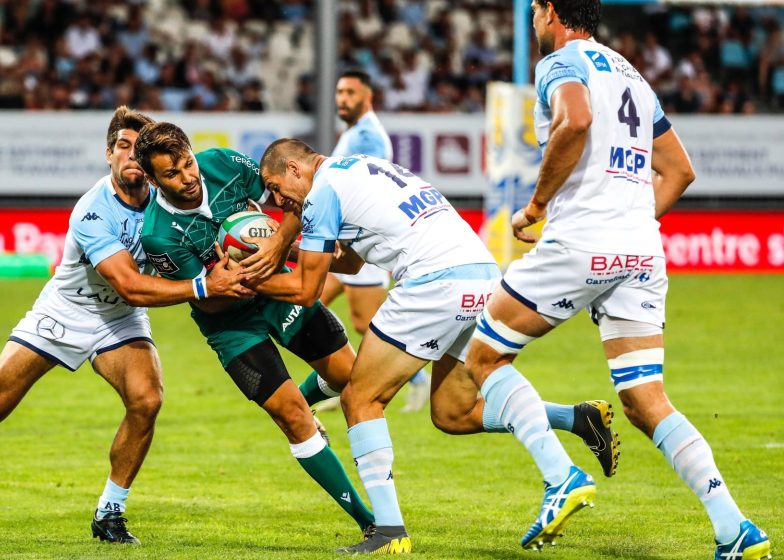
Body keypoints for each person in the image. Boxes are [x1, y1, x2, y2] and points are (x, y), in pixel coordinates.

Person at [464, 1, 772, 558]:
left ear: (551, 11)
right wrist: (631, 228)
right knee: (644, 399)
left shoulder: (561, 61)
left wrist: (535, 205)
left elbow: (575, 120)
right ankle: (735, 529)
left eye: (535, 9)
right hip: (641, 249)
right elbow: (679, 170)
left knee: (483, 358)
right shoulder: (632, 74)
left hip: (582, 238)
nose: (534, 20)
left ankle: (561, 477)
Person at [0, 107, 252, 545]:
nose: (129, 155)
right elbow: (129, 285)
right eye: (121, 146)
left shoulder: (168, 202)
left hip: (119, 321)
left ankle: (110, 512)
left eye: (137, 148)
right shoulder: (93, 211)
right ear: (108, 154)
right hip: (65, 311)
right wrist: (203, 286)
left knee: (146, 400)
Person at [255, 139, 608, 554]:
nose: (278, 202)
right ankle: (572, 429)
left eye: (276, 188)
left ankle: (388, 531)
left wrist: (242, 281)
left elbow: (306, 290)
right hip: (481, 274)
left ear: (295, 169)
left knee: (360, 399)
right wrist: (299, 247)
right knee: (452, 412)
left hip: (433, 283)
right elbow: (350, 264)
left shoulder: (322, 193)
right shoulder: (356, 167)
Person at [133, 122, 376, 542]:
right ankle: (370, 523)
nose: (188, 178)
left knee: (354, 384)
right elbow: (207, 300)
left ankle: (310, 394)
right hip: (230, 326)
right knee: (291, 416)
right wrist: (226, 280)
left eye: (187, 164)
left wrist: (277, 245)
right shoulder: (158, 235)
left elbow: (294, 198)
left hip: (280, 290)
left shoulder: (223, 163)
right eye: (171, 175)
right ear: (153, 181)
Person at [303, 69, 431, 414]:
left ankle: (418, 379)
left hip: (359, 245)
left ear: (367, 96)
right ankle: (338, 379)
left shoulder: (368, 138)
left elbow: (364, 190)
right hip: (342, 243)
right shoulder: (355, 133)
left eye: (350, 93)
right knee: (309, 301)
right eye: (340, 92)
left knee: (365, 323)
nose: (342, 99)